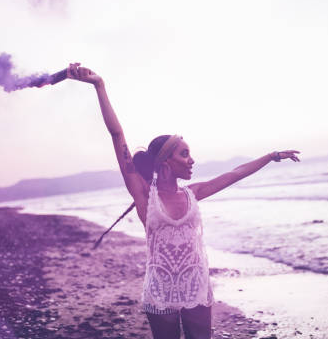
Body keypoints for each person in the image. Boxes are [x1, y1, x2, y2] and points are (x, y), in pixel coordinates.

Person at [67, 62, 300, 339]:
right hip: (160, 289)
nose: (192, 160)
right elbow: (117, 135)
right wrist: (100, 86)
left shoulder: (194, 193)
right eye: (185, 154)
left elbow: (236, 173)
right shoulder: (143, 195)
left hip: (196, 285)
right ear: (166, 160)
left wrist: (271, 155)